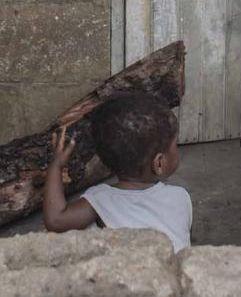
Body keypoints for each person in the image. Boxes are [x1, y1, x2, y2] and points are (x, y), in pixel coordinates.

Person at [42, 93, 192, 252]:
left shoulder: (100, 199)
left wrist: (55, 167)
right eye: (175, 144)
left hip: (128, 273)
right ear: (159, 163)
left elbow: (56, 220)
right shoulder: (180, 197)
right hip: (177, 273)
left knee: (91, 230)